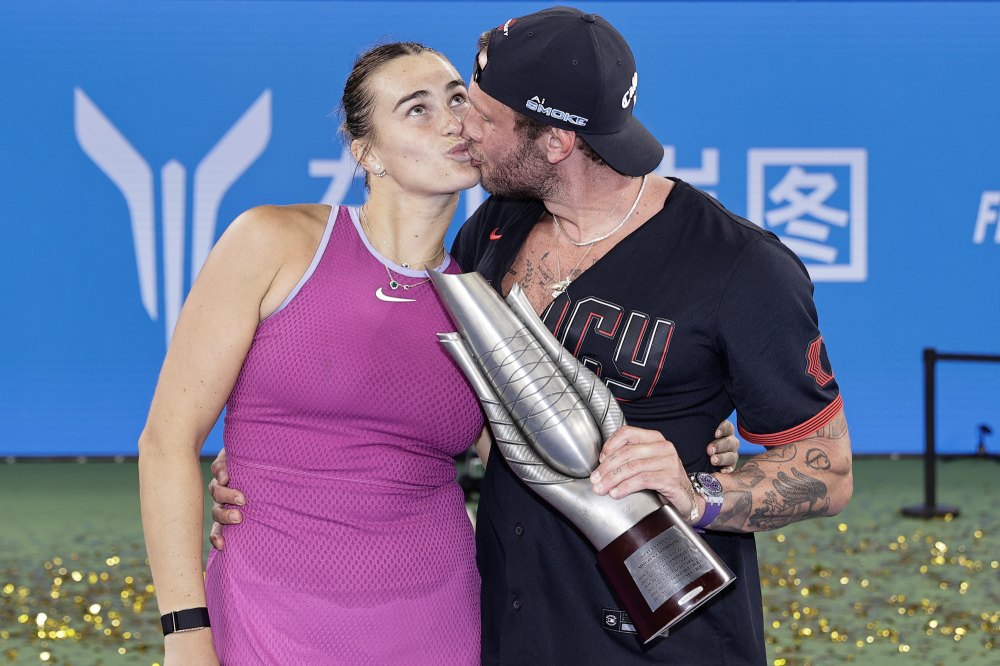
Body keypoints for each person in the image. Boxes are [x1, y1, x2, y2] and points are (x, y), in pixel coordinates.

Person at [141, 39, 741, 666]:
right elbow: (165, 444)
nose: (453, 120)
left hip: (438, 618)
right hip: (268, 610)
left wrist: (695, 431)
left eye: (458, 98)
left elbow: (544, 451)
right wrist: (185, 632)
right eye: (417, 108)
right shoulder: (272, 242)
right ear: (366, 151)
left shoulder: (485, 293)